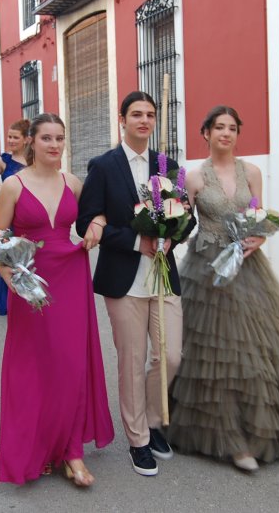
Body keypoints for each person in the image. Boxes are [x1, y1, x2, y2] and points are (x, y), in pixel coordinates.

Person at [166, 106, 279, 472]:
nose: (226, 133)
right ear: (205, 132)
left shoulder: (252, 172)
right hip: (206, 268)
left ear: (238, 134)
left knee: (257, 348)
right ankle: (230, 439)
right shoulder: (192, 178)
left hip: (246, 266)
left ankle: (261, 433)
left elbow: (257, 216)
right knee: (214, 352)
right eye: (219, 127)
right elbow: (178, 223)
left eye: (232, 128)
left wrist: (260, 237)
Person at [76, 91, 196, 477]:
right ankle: (139, 439)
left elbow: (187, 219)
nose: (144, 120)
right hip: (124, 280)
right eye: (136, 114)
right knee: (131, 360)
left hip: (163, 277)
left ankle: (155, 420)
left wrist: (173, 235)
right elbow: (87, 221)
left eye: (150, 114)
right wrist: (136, 240)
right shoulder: (104, 166)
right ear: (122, 120)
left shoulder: (169, 165)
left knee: (170, 356)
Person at [0, 113, 114, 486]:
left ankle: (72, 451)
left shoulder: (74, 183)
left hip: (71, 277)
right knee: (33, 367)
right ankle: (39, 446)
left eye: (60, 138)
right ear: (31, 141)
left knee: (69, 363)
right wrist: (7, 274)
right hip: (30, 281)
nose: (55, 145)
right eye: (46, 138)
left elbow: (97, 214)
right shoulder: (12, 186)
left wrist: (98, 224)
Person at [0, 119, 30, 315]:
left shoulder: (35, 161)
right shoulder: (3, 160)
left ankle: (25, 295)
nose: (10, 140)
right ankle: (5, 303)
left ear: (26, 140)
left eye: (15, 137)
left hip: (26, 217)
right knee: (5, 255)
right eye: (9, 136)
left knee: (24, 258)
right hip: (7, 216)